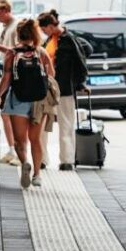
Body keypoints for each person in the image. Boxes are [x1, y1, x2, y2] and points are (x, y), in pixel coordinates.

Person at [0, 18, 54, 188]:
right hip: (38, 102)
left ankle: (25, 161)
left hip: (17, 100)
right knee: (36, 139)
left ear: (18, 34)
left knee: (20, 141)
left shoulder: (12, 53)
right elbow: (51, 75)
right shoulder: (41, 52)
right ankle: (37, 175)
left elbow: (6, 77)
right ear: (35, 34)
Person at [37, 10, 85, 171]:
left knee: (66, 123)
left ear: (51, 26)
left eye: (44, 29)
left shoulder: (69, 39)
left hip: (65, 88)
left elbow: (81, 61)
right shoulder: (49, 40)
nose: (43, 33)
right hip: (48, 88)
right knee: (43, 124)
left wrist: (78, 83)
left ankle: (67, 160)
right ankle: (42, 158)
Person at [0, 0, 20, 166]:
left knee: (12, 114)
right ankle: (12, 149)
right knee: (5, 114)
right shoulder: (0, 27)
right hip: (4, 71)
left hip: (14, 74)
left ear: (6, 10)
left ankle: (18, 151)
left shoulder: (17, 26)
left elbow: (18, 51)